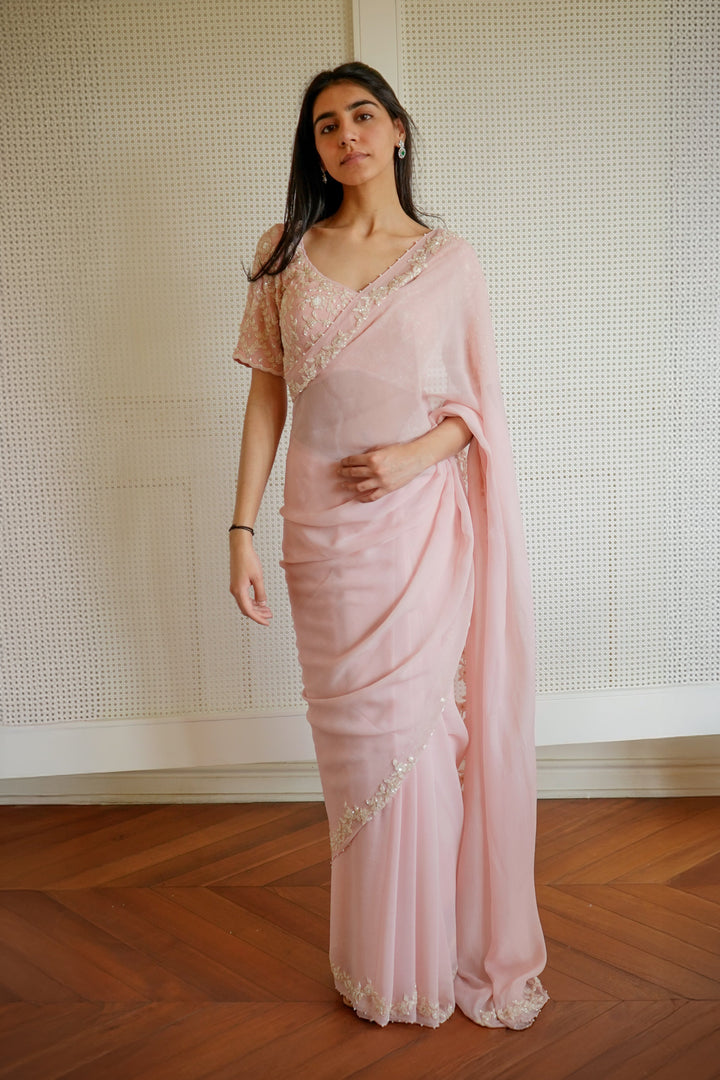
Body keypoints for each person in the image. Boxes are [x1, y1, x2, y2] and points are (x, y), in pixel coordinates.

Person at [230, 61, 548, 1030]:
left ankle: (435, 955)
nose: (345, 135)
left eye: (362, 116)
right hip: (318, 539)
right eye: (325, 125)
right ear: (313, 145)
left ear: (399, 130)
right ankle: (378, 960)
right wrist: (238, 527)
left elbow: (479, 411)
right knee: (355, 758)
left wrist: (416, 454)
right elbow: (268, 397)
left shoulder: (450, 261)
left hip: (413, 536)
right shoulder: (283, 250)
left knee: (415, 738)